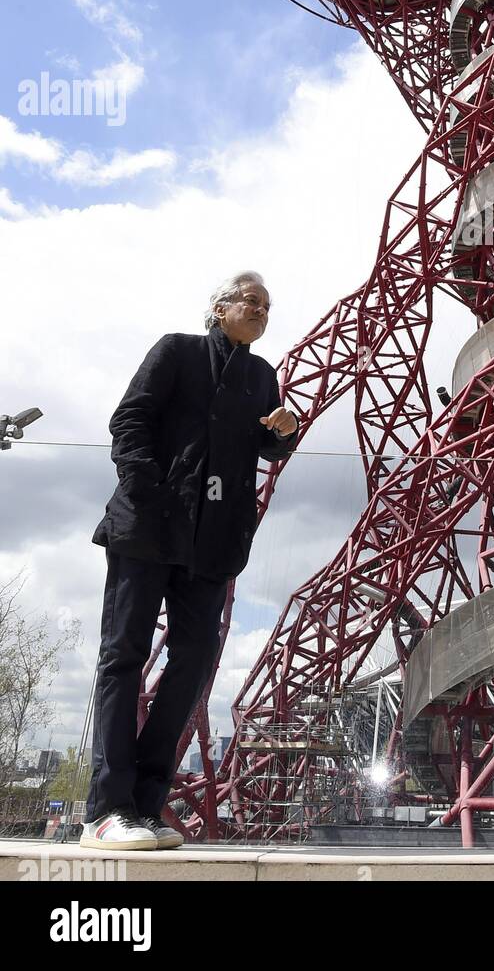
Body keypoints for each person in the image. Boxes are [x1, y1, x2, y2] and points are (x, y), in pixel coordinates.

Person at [80, 272, 299, 851]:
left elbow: (258, 447)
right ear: (219, 308)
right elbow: (128, 421)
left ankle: (146, 806)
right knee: (123, 658)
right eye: (252, 302)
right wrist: (151, 491)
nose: (261, 313)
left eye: (268, 308)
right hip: (149, 529)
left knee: (194, 665)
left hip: (211, 545)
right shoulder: (175, 351)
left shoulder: (261, 376)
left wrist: (280, 433)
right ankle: (107, 807)